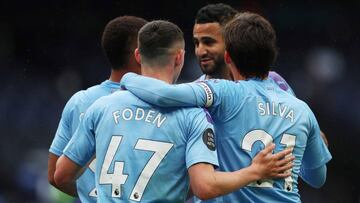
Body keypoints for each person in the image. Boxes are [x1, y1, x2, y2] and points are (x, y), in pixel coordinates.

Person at [54, 20, 294, 202]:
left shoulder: (101, 107)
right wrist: (253, 171)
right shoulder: (193, 116)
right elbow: (205, 187)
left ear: (139, 56)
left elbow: (61, 175)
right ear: (179, 58)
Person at [119, 12, 332, 202]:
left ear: (228, 57)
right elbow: (317, 178)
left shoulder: (225, 93)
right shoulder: (301, 109)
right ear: (272, 55)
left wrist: (127, 77)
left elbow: (163, 94)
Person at [193, 3, 328, 146]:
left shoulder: (274, 81)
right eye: (196, 43)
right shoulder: (195, 96)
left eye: (209, 42)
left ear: (231, 41)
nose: (200, 51)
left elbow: (315, 138)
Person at [48, 16, 147, 202]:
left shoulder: (80, 101)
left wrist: (93, 196)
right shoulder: (157, 102)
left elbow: (54, 175)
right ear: (139, 54)